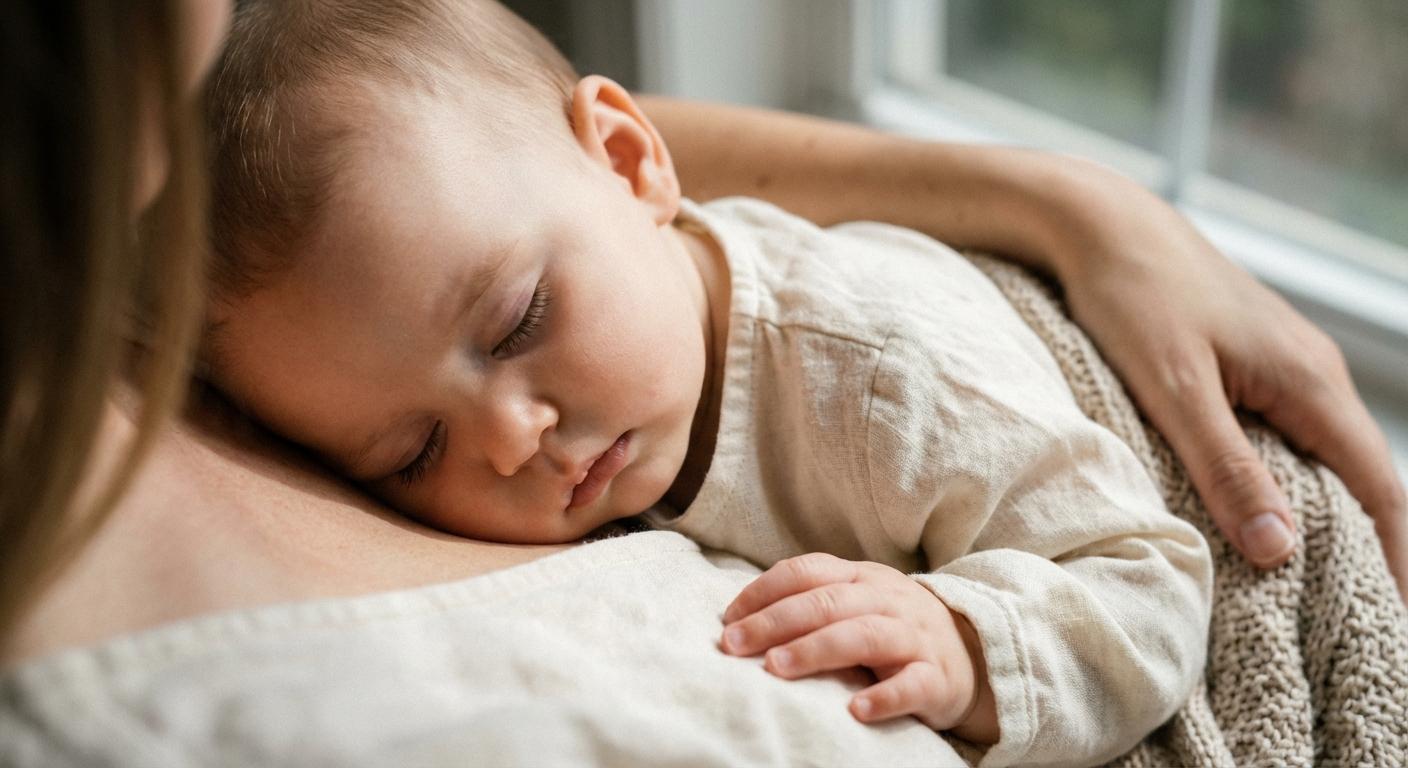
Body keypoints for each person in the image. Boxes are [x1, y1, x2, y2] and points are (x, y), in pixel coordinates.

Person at [1, 0, 1403, 762]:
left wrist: (970, 639)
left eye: (520, 321)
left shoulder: (888, 381)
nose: (514, 438)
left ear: (630, 162)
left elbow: (1146, 574)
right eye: (409, 454)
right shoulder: (509, 275)